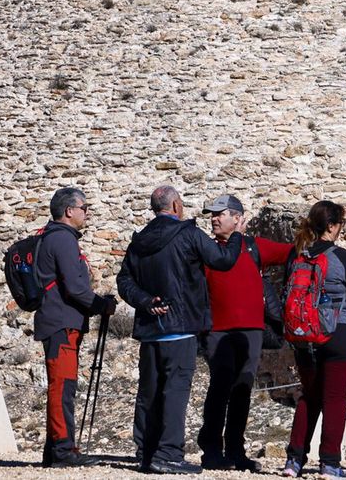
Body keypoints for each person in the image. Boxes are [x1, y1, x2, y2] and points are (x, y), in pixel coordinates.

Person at [116, 185, 239, 475]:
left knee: (149, 392)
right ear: (175, 207)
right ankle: (169, 454)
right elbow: (223, 261)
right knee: (175, 392)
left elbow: (124, 281)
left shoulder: (139, 240)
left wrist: (145, 301)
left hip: (150, 330)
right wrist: (233, 237)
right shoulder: (188, 234)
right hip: (181, 327)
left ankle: (146, 453)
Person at [197, 194, 293, 471]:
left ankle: (236, 450)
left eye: (220, 214)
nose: (214, 219)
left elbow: (291, 252)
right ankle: (212, 451)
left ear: (238, 218)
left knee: (242, 391)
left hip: (251, 332)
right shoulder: (207, 249)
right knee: (219, 389)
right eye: (212, 215)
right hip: (217, 332)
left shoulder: (253, 247)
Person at [282, 200, 346, 479]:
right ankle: (329, 464)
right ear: (331, 226)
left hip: (304, 335)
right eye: (341, 224)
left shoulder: (297, 256)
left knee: (309, 396)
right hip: (337, 332)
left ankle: (294, 462)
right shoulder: (339, 256)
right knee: (334, 398)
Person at [34, 187, 117, 468]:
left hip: (60, 322)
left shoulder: (54, 237)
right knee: (63, 386)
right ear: (70, 211)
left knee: (63, 385)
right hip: (62, 323)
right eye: (84, 208)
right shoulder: (62, 240)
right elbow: (76, 288)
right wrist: (101, 305)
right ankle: (62, 450)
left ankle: (55, 448)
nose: (87, 212)